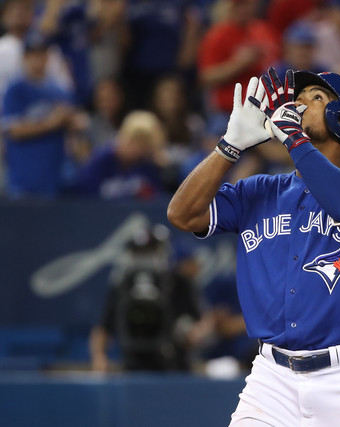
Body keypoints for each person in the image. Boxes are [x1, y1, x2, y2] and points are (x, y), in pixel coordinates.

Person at [168, 68, 340, 426]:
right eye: (299, 96)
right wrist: (229, 146)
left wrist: (296, 141)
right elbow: (182, 214)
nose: (298, 103)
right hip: (271, 379)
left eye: (316, 97)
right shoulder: (258, 190)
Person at [89, 224, 203, 372]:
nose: (146, 258)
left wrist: (190, 334)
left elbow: (199, 322)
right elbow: (103, 328)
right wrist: (99, 357)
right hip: (133, 365)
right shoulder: (123, 285)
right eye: (141, 252)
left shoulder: (177, 282)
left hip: (173, 365)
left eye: (151, 251)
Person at [1, 33, 79, 199]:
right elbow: (13, 131)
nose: (38, 58)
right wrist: (52, 122)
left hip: (54, 177)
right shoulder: (15, 90)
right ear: (25, 58)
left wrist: (73, 123)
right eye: (32, 54)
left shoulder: (60, 91)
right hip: (24, 179)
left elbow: (71, 132)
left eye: (42, 53)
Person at [74, 110, 166, 199]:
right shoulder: (101, 160)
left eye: (145, 146)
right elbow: (86, 196)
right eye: (137, 142)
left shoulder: (146, 165)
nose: (139, 150)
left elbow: (155, 198)